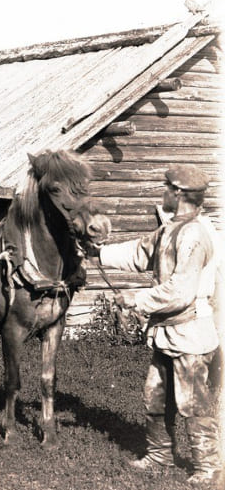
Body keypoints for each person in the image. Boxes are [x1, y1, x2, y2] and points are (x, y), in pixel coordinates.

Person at [89, 164, 221, 485]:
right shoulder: (172, 228)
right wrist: (99, 252)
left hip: (190, 333)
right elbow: (140, 252)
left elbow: (180, 291)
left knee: (193, 403)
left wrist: (136, 299)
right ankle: (159, 455)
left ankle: (208, 466)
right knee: (155, 398)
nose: (163, 191)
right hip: (166, 333)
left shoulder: (195, 234)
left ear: (179, 193)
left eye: (166, 187)